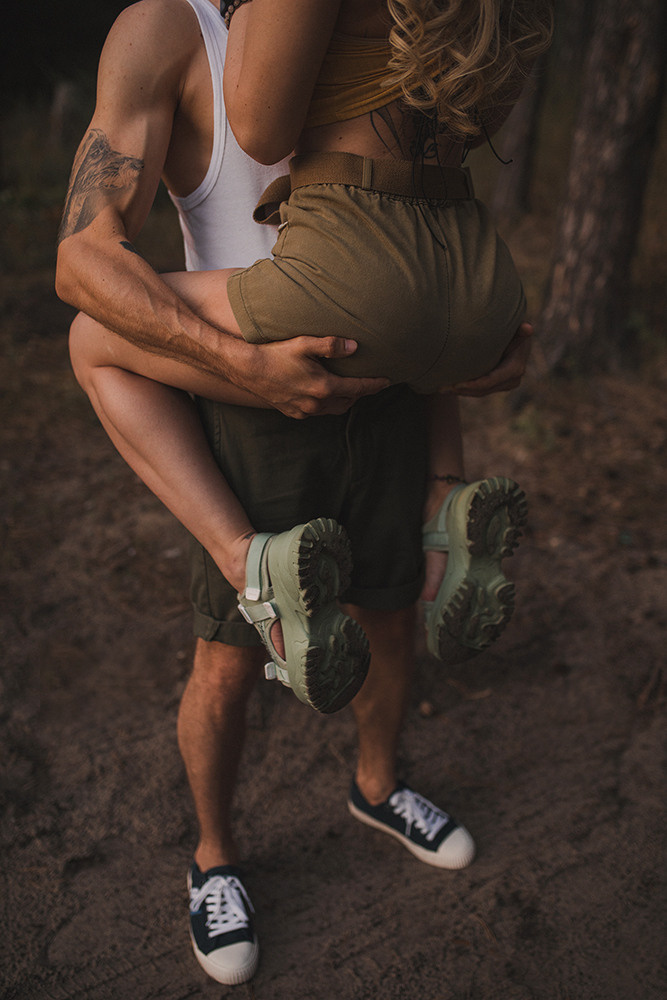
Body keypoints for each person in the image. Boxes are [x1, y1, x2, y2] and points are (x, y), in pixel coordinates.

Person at [55, 0, 543, 985]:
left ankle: (377, 785)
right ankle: (214, 856)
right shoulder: (167, 31)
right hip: (246, 396)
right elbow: (80, 255)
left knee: (393, 616)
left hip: (385, 378)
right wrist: (247, 371)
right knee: (231, 660)